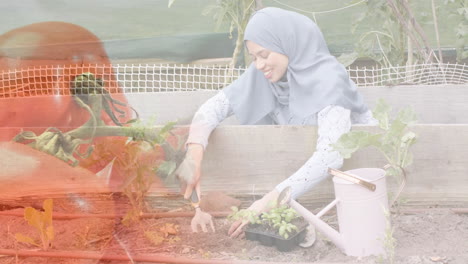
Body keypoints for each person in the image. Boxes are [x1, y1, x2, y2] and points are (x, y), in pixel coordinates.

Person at [179, 7, 376, 236]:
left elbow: (331, 155)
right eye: (254, 57)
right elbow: (211, 109)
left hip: (354, 192)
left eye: (264, 55)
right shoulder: (264, 76)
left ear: (288, 44)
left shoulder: (330, 81)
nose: (259, 64)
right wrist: (194, 152)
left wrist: (268, 201)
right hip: (294, 188)